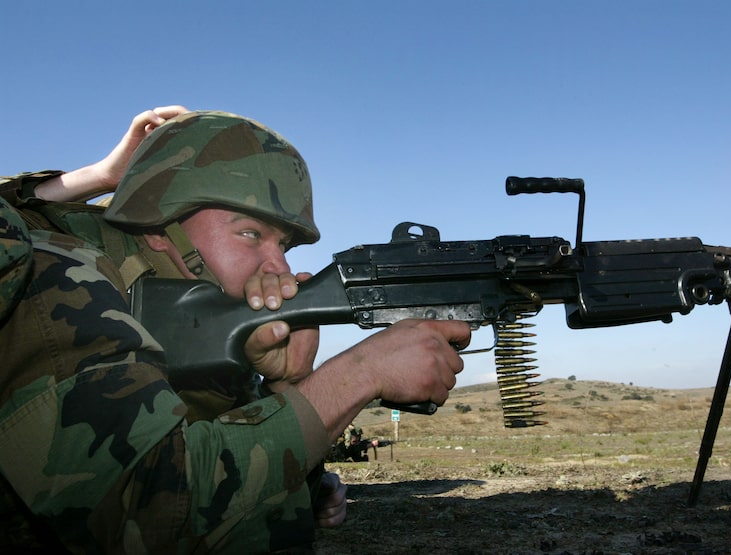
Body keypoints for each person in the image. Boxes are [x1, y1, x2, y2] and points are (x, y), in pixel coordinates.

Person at [0, 109, 470, 553]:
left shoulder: (197, 326)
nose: (278, 265)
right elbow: (144, 516)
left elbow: (231, 502)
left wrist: (290, 392)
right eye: (250, 234)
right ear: (160, 228)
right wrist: (357, 374)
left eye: (283, 243)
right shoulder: (59, 279)